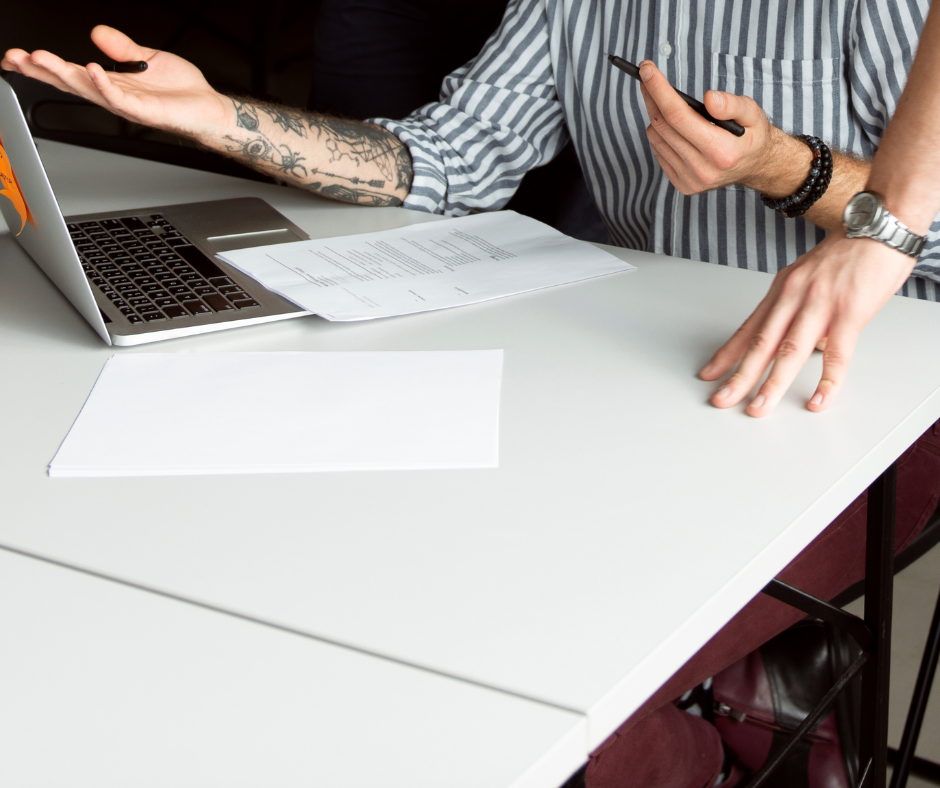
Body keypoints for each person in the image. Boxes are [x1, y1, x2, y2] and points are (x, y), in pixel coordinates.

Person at [4, 1, 939, 784]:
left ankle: (722, 736)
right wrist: (218, 118)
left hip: (846, 409)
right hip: (624, 389)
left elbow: (926, 229)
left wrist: (784, 166)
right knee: (380, 615)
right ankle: (741, 710)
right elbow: (451, 157)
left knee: (549, 708)